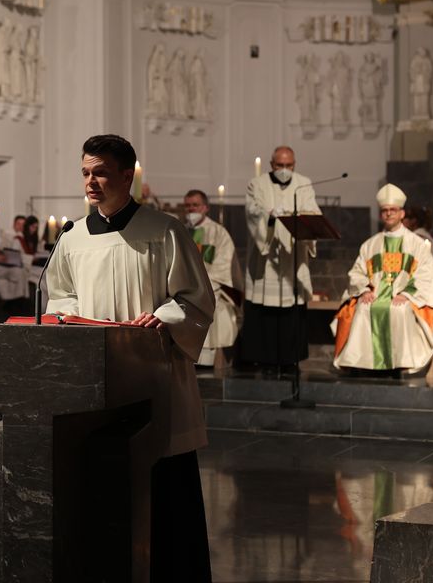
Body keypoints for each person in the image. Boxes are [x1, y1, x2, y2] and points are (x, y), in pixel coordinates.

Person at [46, 134, 214, 582]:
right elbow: (60, 294)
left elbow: (195, 299)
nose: (91, 181)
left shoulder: (164, 230)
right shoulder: (73, 236)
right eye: (85, 172)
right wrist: (68, 316)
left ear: (127, 175)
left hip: (153, 375)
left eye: (100, 172)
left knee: (164, 488)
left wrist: (163, 317)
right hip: (94, 377)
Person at [332, 185, 433, 372]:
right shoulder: (370, 245)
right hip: (376, 295)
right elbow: (357, 273)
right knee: (363, 307)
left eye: (393, 210)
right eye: (384, 211)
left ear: (402, 213)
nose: (389, 214)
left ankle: (401, 363)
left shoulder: (416, 244)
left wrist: (407, 293)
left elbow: (426, 276)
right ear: (381, 215)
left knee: (400, 310)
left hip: (403, 297)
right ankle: (362, 364)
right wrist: (364, 290)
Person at [238, 145, 322, 368]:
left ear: (294, 164)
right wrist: (269, 217)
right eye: (280, 165)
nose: (284, 169)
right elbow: (252, 212)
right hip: (267, 261)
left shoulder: (304, 182)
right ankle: (263, 359)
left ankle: (289, 360)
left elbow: (313, 212)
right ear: (271, 164)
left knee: (291, 311)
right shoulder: (256, 184)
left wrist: (304, 218)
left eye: (289, 165)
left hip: (293, 257)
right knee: (264, 310)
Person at [183, 189, 244, 368]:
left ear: (205, 208)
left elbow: (224, 264)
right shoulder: (181, 231)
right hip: (185, 290)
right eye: (187, 205)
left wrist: (202, 286)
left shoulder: (219, 232)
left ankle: (209, 365)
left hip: (213, 288)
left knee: (216, 311)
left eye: (195, 205)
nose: (191, 209)